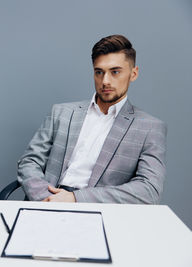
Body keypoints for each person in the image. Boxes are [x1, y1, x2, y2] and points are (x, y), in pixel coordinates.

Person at [17, 34, 166, 204]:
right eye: (99, 72)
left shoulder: (150, 128)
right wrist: (46, 198)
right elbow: (29, 161)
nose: (105, 81)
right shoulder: (61, 112)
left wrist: (75, 199)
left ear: (133, 74)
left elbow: (149, 189)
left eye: (115, 72)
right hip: (45, 203)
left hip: (97, 210)